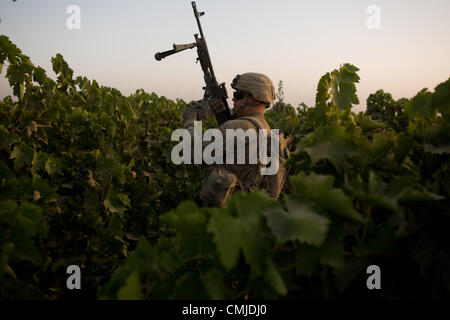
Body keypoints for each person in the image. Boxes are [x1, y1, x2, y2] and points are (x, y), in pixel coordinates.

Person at [182, 72, 281, 207]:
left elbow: (192, 152)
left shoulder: (240, 127)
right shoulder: (265, 128)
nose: (233, 100)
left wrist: (190, 118)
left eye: (238, 95)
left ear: (254, 98)